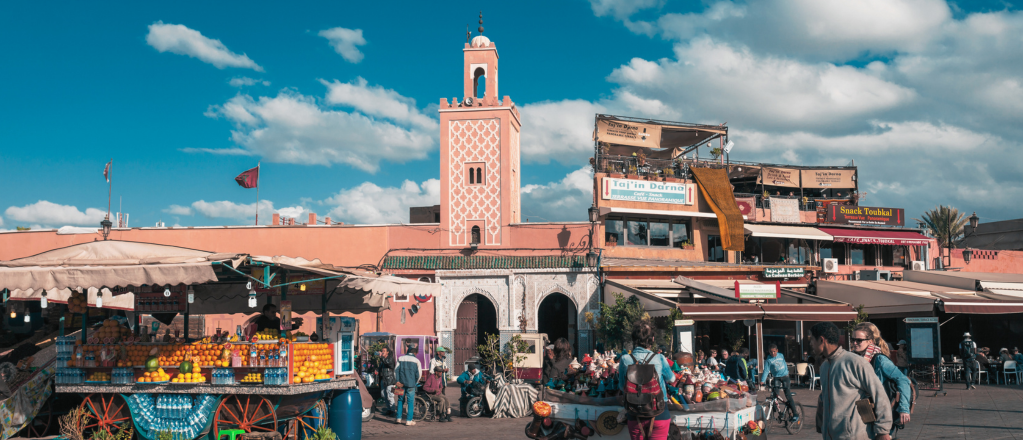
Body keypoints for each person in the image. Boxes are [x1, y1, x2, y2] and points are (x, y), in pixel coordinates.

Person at [811, 322, 892, 440]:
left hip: (854, 435)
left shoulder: (855, 362)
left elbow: (879, 395)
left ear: (822, 340)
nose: (811, 344)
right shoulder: (824, 367)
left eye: (812, 340)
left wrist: (883, 431)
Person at [617, 320, 675, 440]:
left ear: (634, 339)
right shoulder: (659, 358)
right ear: (652, 339)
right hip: (659, 412)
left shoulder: (625, 359)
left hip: (634, 412)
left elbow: (621, 386)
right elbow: (671, 378)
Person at [851, 323, 912, 428]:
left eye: (859, 340)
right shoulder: (854, 358)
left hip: (878, 409)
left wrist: (904, 409)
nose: (855, 343)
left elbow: (903, 380)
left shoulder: (879, 359)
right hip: (861, 406)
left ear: (870, 341)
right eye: (853, 340)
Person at [760, 344, 798, 423]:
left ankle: (795, 413)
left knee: (787, 394)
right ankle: (776, 412)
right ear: (769, 352)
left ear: (777, 350)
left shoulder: (781, 355)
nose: (773, 353)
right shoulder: (768, 359)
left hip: (785, 377)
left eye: (774, 351)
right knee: (774, 395)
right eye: (771, 352)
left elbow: (784, 365)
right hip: (776, 377)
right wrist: (762, 381)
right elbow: (766, 370)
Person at [393, 345, 422, 426]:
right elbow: (419, 374)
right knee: (410, 402)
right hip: (411, 384)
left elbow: (396, 371)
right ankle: (409, 420)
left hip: (400, 384)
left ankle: (398, 418)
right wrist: (415, 382)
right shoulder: (417, 361)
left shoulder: (400, 358)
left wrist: (397, 381)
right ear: (415, 353)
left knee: (400, 400)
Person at [427, 347, 452, 422]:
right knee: (440, 399)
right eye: (442, 351)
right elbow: (431, 371)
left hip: (442, 381)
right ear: (438, 352)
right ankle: (439, 413)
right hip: (435, 382)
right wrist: (441, 370)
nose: (444, 352)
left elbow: (445, 367)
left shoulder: (443, 359)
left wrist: (446, 370)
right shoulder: (433, 360)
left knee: (444, 397)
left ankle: (446, 414)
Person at [376, 347, 396, 415]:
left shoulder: (390, 358)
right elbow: (381, 367)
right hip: (383, 380)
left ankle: (393, 410)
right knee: (384, 395)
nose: (382, 352)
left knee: (390, 395)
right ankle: (388, 409)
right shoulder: (382, 360)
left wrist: (381, 357)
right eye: (382, 350)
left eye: (384, 351)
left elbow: (388, 364)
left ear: (387, 352)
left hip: (389, 379)